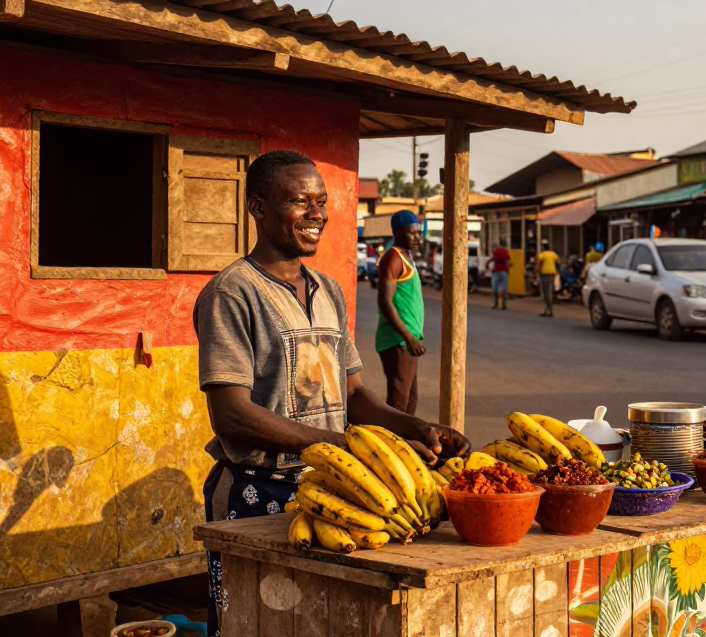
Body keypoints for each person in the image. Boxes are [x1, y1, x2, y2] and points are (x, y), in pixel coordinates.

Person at [193, 150, 471, 637]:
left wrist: (417, 427)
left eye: (321, 201)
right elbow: (231, 415)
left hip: (335, 492)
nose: (317, 214)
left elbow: (356, 394)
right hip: (258, 490)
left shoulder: (329, 290)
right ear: (257, 208)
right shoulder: (232, 293)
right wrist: (339, 445)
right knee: (252, 626)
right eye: (301, 202)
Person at [376, 210, 426, 415]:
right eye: (411, 233)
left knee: (409, 404)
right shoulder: (394, 258)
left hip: (407, 340)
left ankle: (404, 446)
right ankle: (387, 445)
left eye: (418, 233)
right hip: (398, 340)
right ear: (396, 232)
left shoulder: (407, 258)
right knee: (398, 406)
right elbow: (385, 302)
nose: (417, 237)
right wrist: (408, 336)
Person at [537, 239, 560, 317]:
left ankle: (549, 311)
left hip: (545, 275)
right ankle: (547, 310)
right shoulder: (553, 254)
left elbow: (539, 265)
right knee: (549, 293)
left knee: (546, 294)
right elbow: (558, 263)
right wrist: (558, 272)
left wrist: (538, 274)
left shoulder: (542, 255)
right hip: (552, 275)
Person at [487, 239, 512, 309]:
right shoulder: (505, 251)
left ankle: (496, 303)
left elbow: (491, 259)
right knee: (504, 288)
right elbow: (508, 262)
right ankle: (504, 304)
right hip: (504, 271)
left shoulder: (496, 251)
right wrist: (509, 266)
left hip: (496, 271)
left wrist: (487, 266)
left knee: (495, 288)